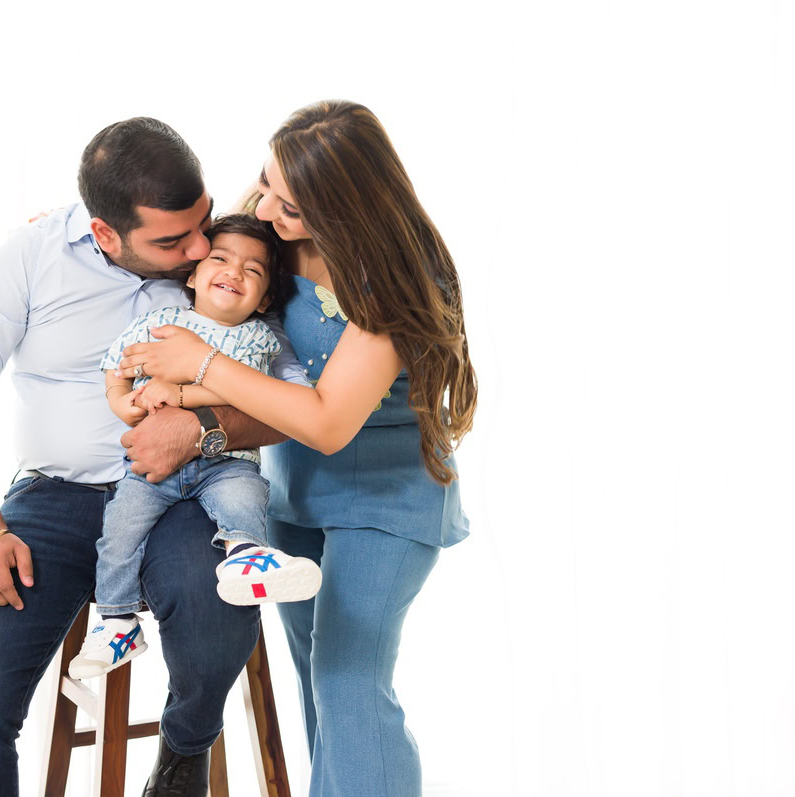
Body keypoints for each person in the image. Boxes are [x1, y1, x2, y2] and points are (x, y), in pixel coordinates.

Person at [0, 117, 312, 797]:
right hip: (54, 500)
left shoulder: (221, 256)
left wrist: (205, 429)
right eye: (172, 241)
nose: (199, 248)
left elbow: (291, 399)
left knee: (217, 598)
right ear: (105, 234)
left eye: (204, 224)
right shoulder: (30, 257)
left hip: (188, 492)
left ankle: (184, 748)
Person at [114, 100, 477, 797]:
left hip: (387, 496)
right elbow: (197, 269)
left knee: (350, 681)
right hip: (297, 492)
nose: (269, 207)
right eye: (267, 181)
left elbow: (326, 421)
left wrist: (202, 367)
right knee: (319, 677)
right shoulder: (268, 223)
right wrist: (86, 250)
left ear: (346, 208)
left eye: (295, 205)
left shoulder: (395, 279)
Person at [67, 214, 322, 681]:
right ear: (193, 274)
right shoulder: (160, 322)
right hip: (152, 468)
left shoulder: (259, 339)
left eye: (253, 270)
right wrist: (122, 403)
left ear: (265, 298)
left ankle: (248, 555)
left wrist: (182, 394)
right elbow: (116, 364)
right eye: (220, 259)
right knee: (120, 529)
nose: (234, 272)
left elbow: (246, 394)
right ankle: (117, 621)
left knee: (244, 497)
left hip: (226, 462)